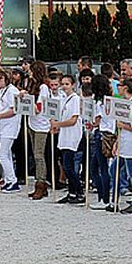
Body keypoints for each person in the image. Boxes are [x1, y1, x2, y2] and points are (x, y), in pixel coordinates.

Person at [112, 79, 132, 214]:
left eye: (119, 86)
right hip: (124, 142)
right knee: (114, 169)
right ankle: (114, 199)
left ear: (125, 88)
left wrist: (124, 126)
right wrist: (117, 142)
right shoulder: (123, 104)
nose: (117, 88)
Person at [52, 75, 84, 204]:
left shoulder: (75, 99)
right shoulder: (65, 99)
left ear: (72, 85)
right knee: (66, 166)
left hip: (72, 135)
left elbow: (73, 120)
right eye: (63, 84)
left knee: (68, 166)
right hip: (64, 135)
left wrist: (58, 125)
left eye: (67, 84)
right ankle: (71, 192)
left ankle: (79, 191)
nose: (64, 86)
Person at [88, 75, 115, 210]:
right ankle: (103, 196)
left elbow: (97, 120)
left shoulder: (99, 102)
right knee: (99, 167)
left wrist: (91, 123)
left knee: (99, 167)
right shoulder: (110, 100)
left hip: (101, 134)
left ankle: (104, 197)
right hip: (108, 133)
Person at [26, 61, 51, 200]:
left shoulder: (43, 87)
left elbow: (38, 107)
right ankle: (39, 182)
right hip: (32, 122)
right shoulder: (32, 85)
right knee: (35, 153)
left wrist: (27, 102)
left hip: (41, 123)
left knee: (38, 155)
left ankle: (41, 182)